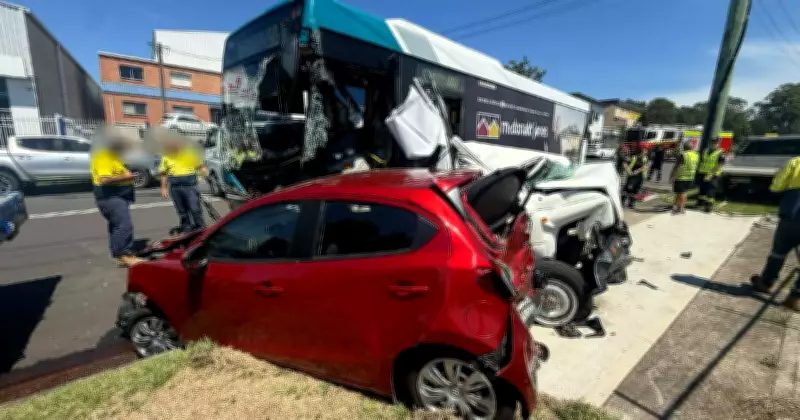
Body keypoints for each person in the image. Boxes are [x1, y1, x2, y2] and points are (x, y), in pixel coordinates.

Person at [750, 156, 800, 312]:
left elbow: (777, 187)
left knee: (778, 252)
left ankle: (766, 282)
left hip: (792, 216)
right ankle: (794, 298)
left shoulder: (796, 162)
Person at [90, 126, 143, 267]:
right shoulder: (103, 157)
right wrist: (127, 176)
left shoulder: (113, 156)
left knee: (116, 225)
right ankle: (124, 254)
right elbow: (104, 179)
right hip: (110, 196)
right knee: (124, 225)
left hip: (117, 195)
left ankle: (118, 253)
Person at [157, 129, 209, 233]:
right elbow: (163, 173)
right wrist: (163, 188)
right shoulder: (166, 155)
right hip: (175, 188)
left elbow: (201, 167)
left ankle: (201, 229)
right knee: (182, 211)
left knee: (195, 209)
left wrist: (206, 176)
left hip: (190, 186)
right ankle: (187, 230)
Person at [695, 137, 726, 213]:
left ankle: (709, 206)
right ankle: (700, 203)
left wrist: (711, 173)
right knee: (702, 189)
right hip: (703, 172)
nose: (714, 144)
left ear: (718, 143)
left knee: (710, 190)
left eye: (716, 142)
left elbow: (720, 164)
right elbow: (702, 161)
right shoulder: (705, 151)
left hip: (713, 174)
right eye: (713, 142)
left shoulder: (720, 152)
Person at [669, 141, 699, 214]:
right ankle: (677, 206)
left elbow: (677, 166)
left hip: (681, 177)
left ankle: (680, 208)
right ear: (692, 147)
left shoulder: (683, 155)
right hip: (690, 177)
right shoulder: (696, 155)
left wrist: (672, 176)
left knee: (681, 193)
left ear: (684, 147)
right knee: (682, 193)